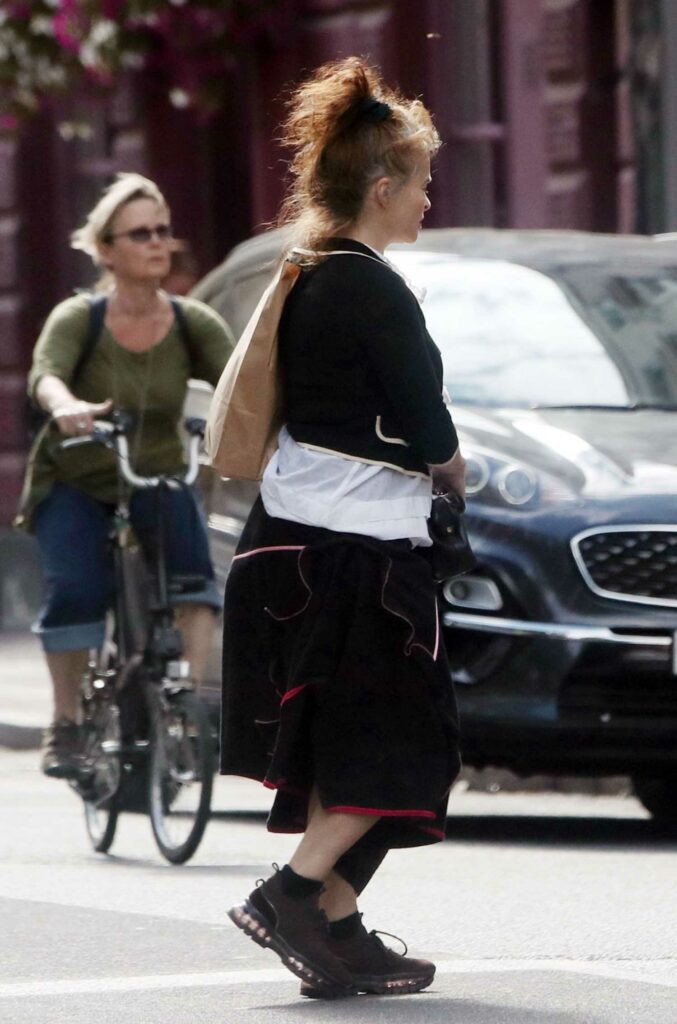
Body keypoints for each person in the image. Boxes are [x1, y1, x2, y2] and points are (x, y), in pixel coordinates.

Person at [221, 57, 466, 999]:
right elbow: (428, 429)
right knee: (405, 739)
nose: (427, 200)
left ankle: (338, 930)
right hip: (358, 557)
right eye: (421, 182)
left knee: (345, 740)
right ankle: (289, 894)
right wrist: (454, 463)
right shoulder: (371, 287)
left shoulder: (314, 273)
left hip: (298, 545)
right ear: (381, 187)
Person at [15, 172, 234, 779]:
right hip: (78, 478)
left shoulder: (192, 323)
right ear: (106, 249)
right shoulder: (78, 318)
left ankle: (185, 710)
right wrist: (65, 408)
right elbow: (47, 374)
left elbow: (240, 382)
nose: (158, 243)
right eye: (141, 233)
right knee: (78, 592)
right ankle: (65, 723)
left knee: (195, 585)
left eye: (163, 231)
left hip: (156, 474)